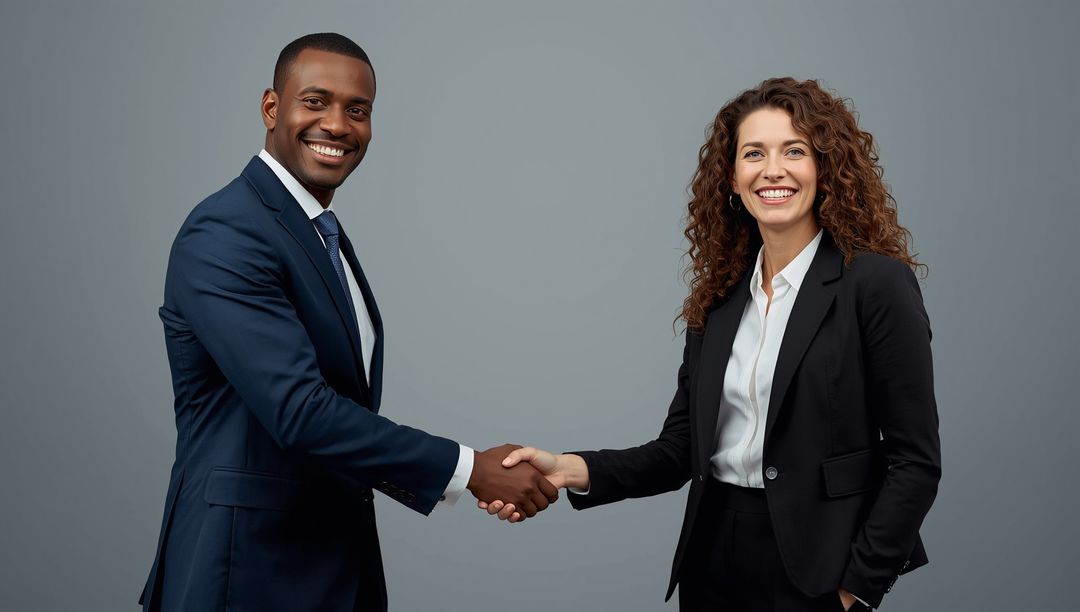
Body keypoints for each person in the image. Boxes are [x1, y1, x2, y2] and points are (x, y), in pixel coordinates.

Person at [481, 77, 940, 611]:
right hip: (712, 556)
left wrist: (857, 588)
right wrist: (566, 469)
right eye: (754, 153)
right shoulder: (720, 298)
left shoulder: (875, 285)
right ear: (732, 178)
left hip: (819, 567)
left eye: (794, 151)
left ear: (825, 167)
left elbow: (915, 460)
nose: (773, 169)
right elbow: (680, 450)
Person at [139, 33, 558, 612]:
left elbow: (340, 410)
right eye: (315, 102)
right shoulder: (227, 231)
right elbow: (300, 410)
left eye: (357, 110)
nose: (337, 125)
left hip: (332, 565)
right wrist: (470, 470)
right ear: (271, 107)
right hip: (245, 572)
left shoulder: (316, 231)